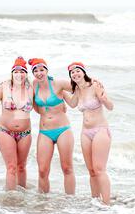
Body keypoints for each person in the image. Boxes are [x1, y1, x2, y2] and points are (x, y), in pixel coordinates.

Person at [63, 62, 114, 205]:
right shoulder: (78, 91)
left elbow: (110, 107)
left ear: (83, 72)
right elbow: (72, 104)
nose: (75, 74)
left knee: (99, 169)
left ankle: (107, 204)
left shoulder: (95, 85)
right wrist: (59, 90)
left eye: (78, 71)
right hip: (85, 132)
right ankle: (95, 202)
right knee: (91, 170)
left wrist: (104, 100)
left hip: (100, 130)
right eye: (72, 73)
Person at [0, 57, 33, 190]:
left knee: (21, 167)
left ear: (26, 74)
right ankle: (11, 201)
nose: (19, 74)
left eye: (22, 71)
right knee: (11, 168)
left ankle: (23, 198)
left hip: (25, 133)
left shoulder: (31, 88)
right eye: (16, 72)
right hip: (6, 132)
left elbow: (41, 105)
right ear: (12, 73)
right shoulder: (3, 86)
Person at [28, 58, 75, 194]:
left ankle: (70, 201)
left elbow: (78, 86)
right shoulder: (33, 86)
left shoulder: (57, 84)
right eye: (35, 71)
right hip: (45, 132)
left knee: (67, 168)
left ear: (47, 70)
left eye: (42, 69)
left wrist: (93, 85)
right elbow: (35, 107)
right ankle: (43, 203)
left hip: (63, 130)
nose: (39, 73)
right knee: (42, 170)